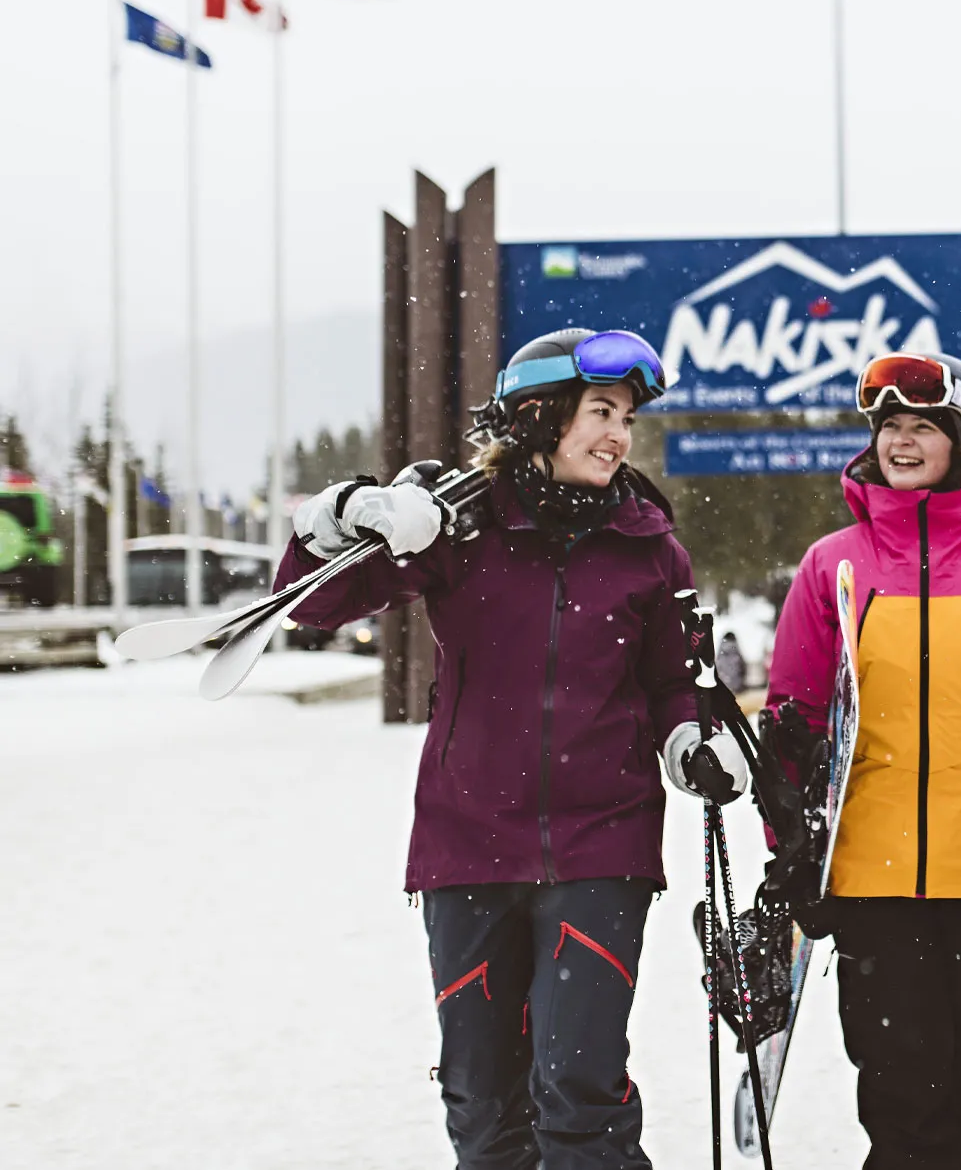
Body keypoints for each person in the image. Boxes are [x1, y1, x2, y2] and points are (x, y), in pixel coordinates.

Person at [275, 327, 750, 1170]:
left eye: (627, 417)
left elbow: (673, 682)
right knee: (483, 1104)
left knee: (580, 1091)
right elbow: (311, 605)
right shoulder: (458, 528)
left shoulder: (649, 543)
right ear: (537, 416)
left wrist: (688, 743)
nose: (618, 434)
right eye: (601, 411)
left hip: (604, 844)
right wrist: (342, 514)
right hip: (468, 845)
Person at [763, 350, 961, 1170]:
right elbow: (793, 719)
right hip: (870, 881)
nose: (902, 442)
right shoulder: (829, 565)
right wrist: (793, 850)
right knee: (904, 1106)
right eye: (890, 427)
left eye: (923, 427)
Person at [715, 629, 748, 694]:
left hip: (723, 685)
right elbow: (743, 666)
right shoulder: (735, 649)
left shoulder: (721, 652)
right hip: (736, 685)